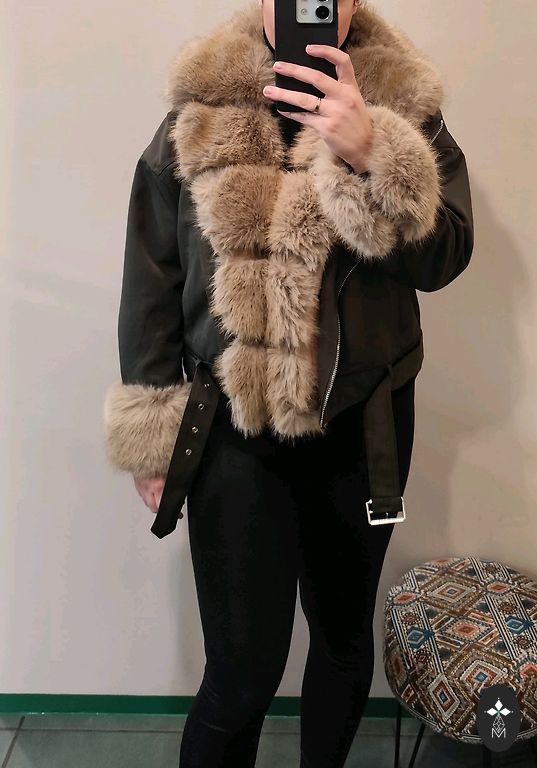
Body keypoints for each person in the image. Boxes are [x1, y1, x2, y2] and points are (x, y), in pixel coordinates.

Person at [103, 0, 474, 765]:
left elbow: (444, 260)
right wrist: (151, 435)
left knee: (340, 644)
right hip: (233, 430)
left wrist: (373, 153)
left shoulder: (403, 105)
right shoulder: (198, 112)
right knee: (241, 670)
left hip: (365, 424)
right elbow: (151, 280)